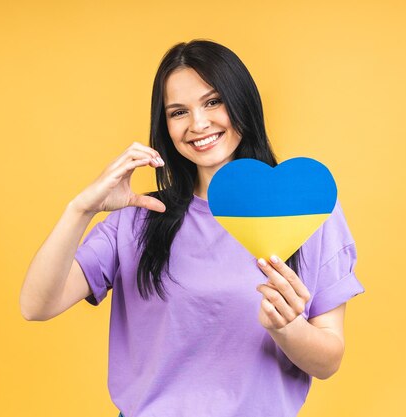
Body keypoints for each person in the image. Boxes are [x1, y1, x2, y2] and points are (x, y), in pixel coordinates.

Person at [20, 39, 365, 417]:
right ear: (164, 125)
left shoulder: (308, 211)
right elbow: (37, 305)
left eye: (213, 101)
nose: (198, 124)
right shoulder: (138, 218)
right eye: (178, 111)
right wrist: (82, 208)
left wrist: (286, 328)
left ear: (241, 102)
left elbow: (328, 360)